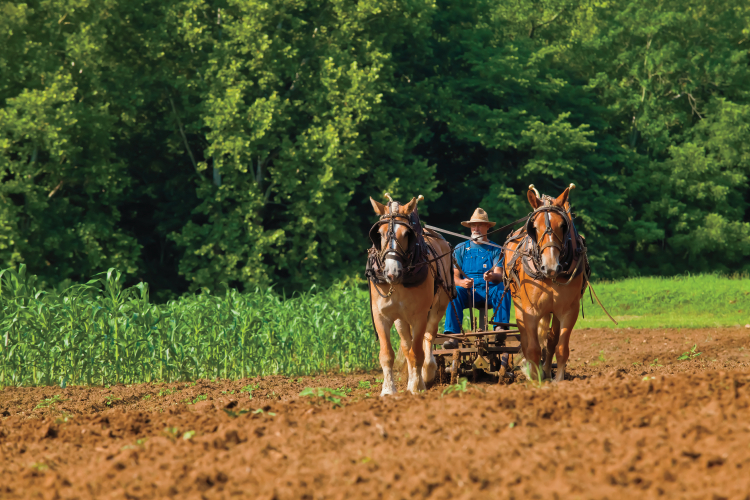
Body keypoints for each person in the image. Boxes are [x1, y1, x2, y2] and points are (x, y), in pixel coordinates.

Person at [443, 207, 511, 347]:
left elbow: (499, 275)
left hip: (489, 291)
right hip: (468, 291)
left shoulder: (496, 249)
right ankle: (453, 335)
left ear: (487, 227)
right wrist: (462, 283)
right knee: (453, 292)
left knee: (502, 288)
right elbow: (454, 277)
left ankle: (500, 329)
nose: (476, 228)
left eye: (480, 225)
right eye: (473, 225)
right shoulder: (461, 248)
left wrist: (492, 276)